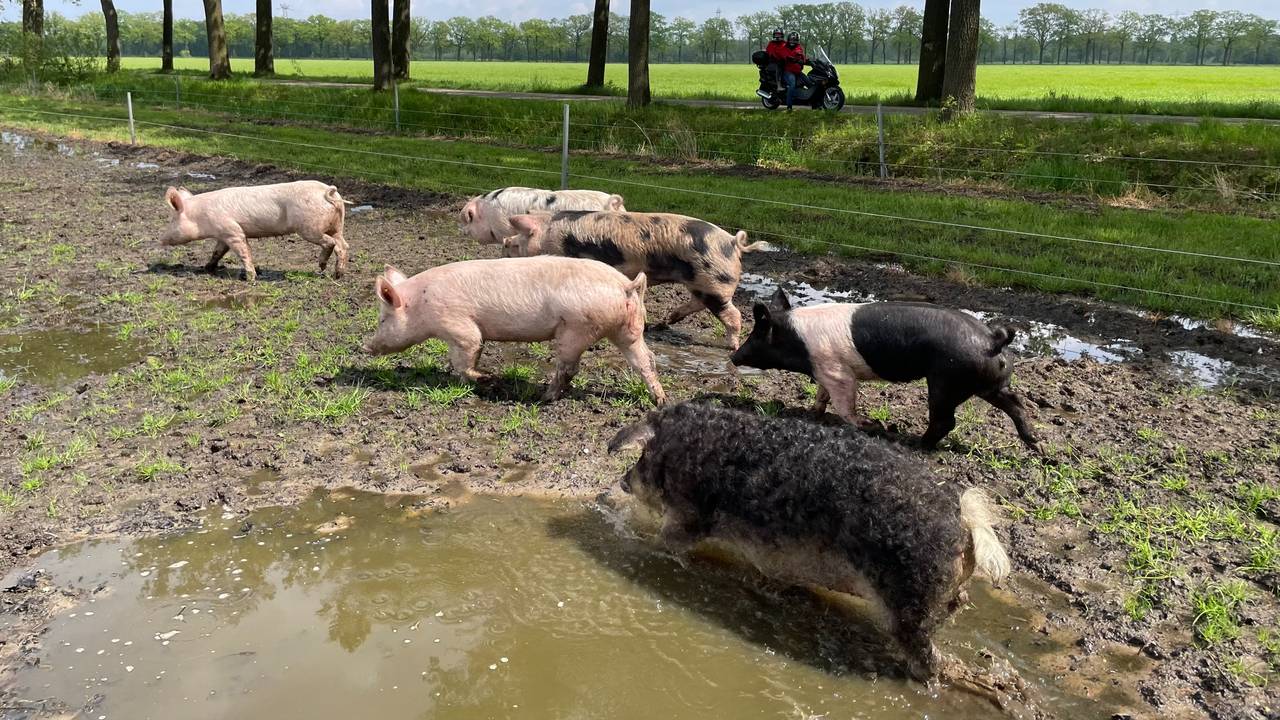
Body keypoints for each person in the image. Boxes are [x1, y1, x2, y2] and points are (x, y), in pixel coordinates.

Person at [777, 31, 807, 111]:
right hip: (788, 71)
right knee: (792, 84)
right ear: (788, 40)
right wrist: (791, 58)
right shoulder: (784, 48)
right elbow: (783, 55)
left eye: (795, 40)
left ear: (797, 41)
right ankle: (789, 106)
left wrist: (808, 61)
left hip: (797, 71)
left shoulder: (799, 48)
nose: (793, 42)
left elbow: (803, 58)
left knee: (809, 81)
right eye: (791, 40)